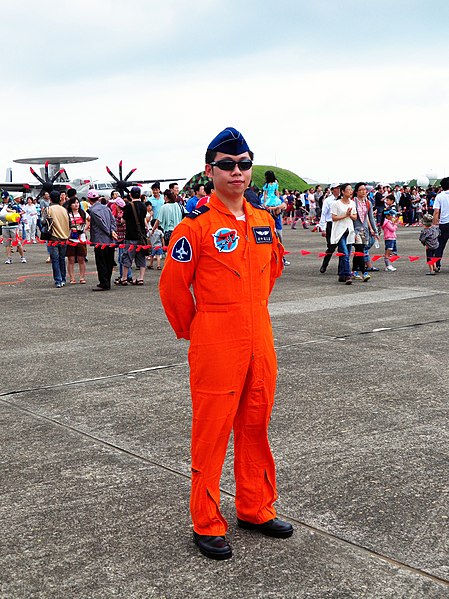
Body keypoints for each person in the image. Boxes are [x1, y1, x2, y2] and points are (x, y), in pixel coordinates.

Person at [159, 126, 293, 561]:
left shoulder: (262, 220)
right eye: (227, 165)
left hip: (260, 334)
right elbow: (174, 289)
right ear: (209, 171)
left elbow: (271, 271)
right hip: (216, 339)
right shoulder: (194, 227)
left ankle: (255, 507)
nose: (237, 172)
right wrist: (198, 330)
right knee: (212, 432)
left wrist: (250, 312)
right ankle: (207, 520)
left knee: (255, 425)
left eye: (244, 164)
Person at [87, 189, 117, 291]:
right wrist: (112, 231)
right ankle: (107, 281)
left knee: (101, 262)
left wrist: (109, 231)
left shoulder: (93, 211)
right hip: (110, 240)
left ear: (89, 199)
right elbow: (113, 220)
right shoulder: (106, 208)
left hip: (100, 240)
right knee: (109, 261)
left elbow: (101, 224)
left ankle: (104, 282)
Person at [119, 186, 147, 286]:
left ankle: (124, 278)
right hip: (141, 236)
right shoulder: (144, 206)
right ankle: (140, 278)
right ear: (140, 195)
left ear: (130, 195)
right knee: (141, 256)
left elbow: (123, 220)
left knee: (127, 256)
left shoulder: (128, 206)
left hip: (130, 235)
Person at [352, 182, 379, 282]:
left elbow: (371, 218)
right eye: (361, 190)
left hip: (365, 230)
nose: (363, 192)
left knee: (359, 251)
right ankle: (364, 272)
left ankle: (354, 271)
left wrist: (375, 231)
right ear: (356, 191)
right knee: (360, 250)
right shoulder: (353, 202)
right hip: (355, 230)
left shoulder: (368, 203)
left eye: (365, 190)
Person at [330, 183, 357, 284]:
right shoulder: (336, 204)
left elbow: (355, 217)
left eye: (351, 190)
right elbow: (333, 218)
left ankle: (342, 274)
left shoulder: (352, 203)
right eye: (348, 190)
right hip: (340, 231)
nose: (350, 191)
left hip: (349, 230)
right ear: (342, 192)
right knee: (345, 253)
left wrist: (350, 215)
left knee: (346, 254)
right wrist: (345, 215)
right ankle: (348, 275)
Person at [47, 190, 70, 287]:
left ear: (50, 198)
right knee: (62, 259)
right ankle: (63, 279)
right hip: (64, 237)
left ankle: (58, 280)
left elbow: (44, 222)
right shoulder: (64, 209)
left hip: (54, 238)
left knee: (55, 260)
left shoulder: (49, 209)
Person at [66, 196, 89, 284]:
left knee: (81, 259)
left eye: (77, 202)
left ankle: (82, 277)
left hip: (81, 239)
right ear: (70, 205)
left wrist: (84, 228)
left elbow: (89, 220)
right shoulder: (68, 214)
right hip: (71, 239)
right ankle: (72, 278)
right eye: (74, 203)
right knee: (71, 259)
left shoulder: (83, 213)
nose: (76, 204)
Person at [319, 183, 340, 273]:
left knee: (342, 247)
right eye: (336, 188)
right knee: (331, 247)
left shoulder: (342, 199)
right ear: (332, 190)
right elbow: (323, 214)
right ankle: (324, 265)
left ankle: (341, 268)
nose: (338, 190)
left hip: (340, 224)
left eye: (339, 188)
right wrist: (323, 228)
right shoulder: (328, 201)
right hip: (330, 224)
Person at [1, 192, 27, 264]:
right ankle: (9, 258)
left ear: (8, 197)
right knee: (7, 243)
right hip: (5, 225)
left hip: (13, 226)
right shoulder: (1, 205)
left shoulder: (13, 204)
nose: (4, 199)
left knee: (17, 243)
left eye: (5, 198)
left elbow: (19, 211)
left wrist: (10, 211)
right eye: (3, 198)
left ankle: (22, 257)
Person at [432, 177, 449, 272]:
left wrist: (434, 225)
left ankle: (437, 265)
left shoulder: (439, 196)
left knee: (440, 245)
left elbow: (436, 212)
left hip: (444, 223)